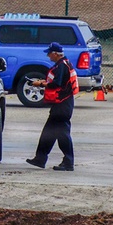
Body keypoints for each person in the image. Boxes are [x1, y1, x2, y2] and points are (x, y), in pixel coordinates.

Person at [26, 41, 79, 171]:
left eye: (49, 54)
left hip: (63, 104)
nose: (48, 56)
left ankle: (68, 161)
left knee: (62, 135)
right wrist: (44, 82)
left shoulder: (61, 66)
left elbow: (57, 84)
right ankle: (40, 158)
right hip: (62, 104)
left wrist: (41, 84)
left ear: (56, 54)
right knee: (49, 132)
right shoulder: (63, 64)